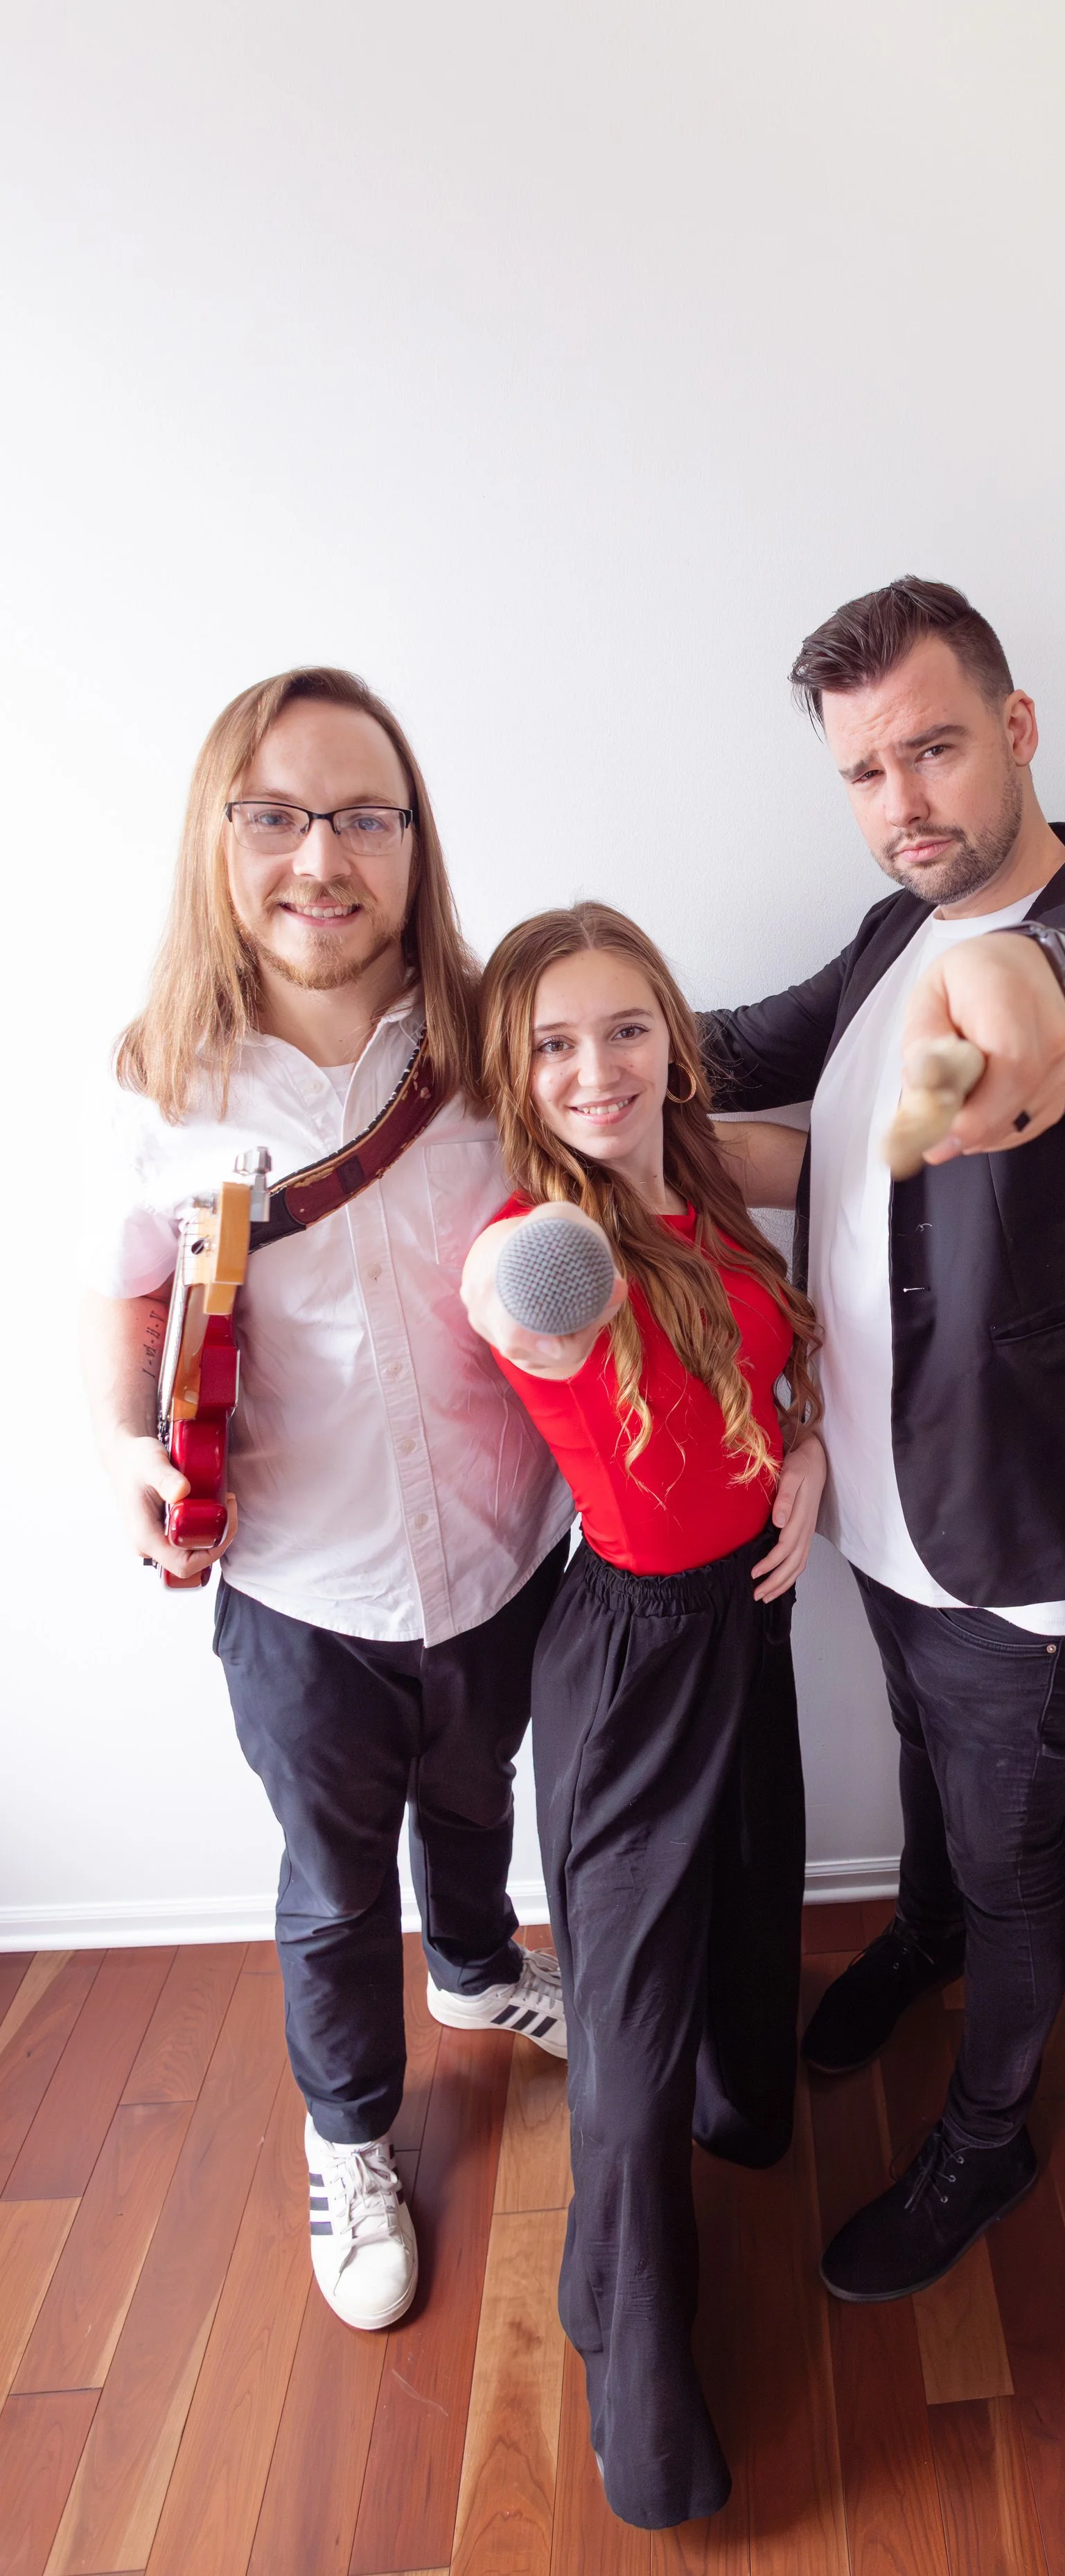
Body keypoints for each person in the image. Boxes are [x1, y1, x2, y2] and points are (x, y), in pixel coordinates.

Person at [700, 576, 1065, 2301]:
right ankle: (917, 1936)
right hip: (881, 1498)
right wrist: (563, 1043)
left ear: (1015, 729)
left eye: (931, 749)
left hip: (1023, 1533)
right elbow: (751, 1069)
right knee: (926, 1766)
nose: (901, 801)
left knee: (1012, 1862)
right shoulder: (883, 939)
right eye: (863, 771)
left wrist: (1015, 976)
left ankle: (989, 2134)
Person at [80, 669, 573, 2336]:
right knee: (332, 1877)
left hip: (505, 1546)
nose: (322, 856)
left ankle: (480, 1969)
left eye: (365, 815)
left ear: (415, 841)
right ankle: (351, 2131)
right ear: (218, 836)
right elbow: (123, 1287)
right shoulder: (163, 1081)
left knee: (478, 1791)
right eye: (278, 814)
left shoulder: (493, 1038)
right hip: (301, 1587)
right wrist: (123, 1446)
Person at [460, 902, 825, 2531]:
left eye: (621, 1028)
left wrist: (804, 1446)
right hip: (628, 1660)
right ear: (513, 1072)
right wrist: (519, 1290)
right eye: (550, 1044)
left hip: (746, 1615)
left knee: (749, 1901)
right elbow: (523, 1293)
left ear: (673, 1035)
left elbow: (782, 1329)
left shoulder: (710, 1177)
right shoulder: (549, 1236)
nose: (593, 1069)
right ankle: (640, 2400)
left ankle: (743, 2124)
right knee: (623, 2031)